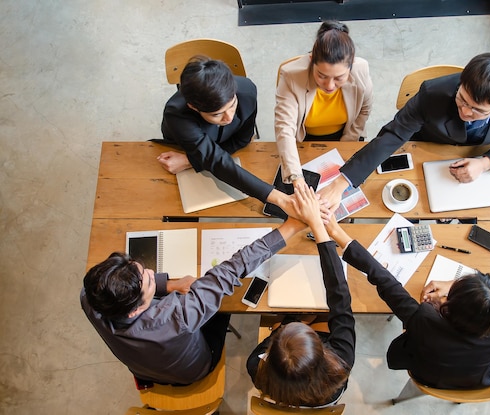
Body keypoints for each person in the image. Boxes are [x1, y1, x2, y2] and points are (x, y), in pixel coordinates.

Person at [80, 217, 306, 386]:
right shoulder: (178, 316)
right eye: (149, 280)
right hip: (193, 371)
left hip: (144, 370)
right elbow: (230, 271)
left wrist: (166, 285)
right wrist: (291, 227)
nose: (151, 271)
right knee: (224, 305)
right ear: (133, 311)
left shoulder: (89, 298)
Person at [318, 52, 490, 210]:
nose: (464, 111)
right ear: (461, 83)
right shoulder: (432, 93)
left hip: (478, 157)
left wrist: (485, 162)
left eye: (477, 111)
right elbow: (393, 135)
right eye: (462, 99)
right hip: (428, 147)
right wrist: (342, 182)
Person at [323, 222, 490, 389]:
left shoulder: (425, 321)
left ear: (451, 307)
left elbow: (385, 281)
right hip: (476, 380)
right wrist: (451, 285)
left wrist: (334, 232)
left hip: (427, 377)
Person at [247, 185, 355, 407]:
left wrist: (295, 321)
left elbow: (274, 342)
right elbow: (340, 300)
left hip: (289, 384)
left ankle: (295, 322)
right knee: (323, 314)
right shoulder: (341, 361)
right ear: (321, 349)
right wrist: (319, 230)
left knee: (294, 312)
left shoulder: (254, 366)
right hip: (327, 396)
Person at [157, 55, 296, 216]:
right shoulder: (176, 115)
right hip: (181, 144)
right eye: (217, 114)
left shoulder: (247, 89)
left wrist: (192, 159)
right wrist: (281, 199)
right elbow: (216, 161)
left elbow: (242, 140)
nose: (229, 117)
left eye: (232, 106)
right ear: (194, 107)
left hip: (205, 152)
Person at [275, 20, 373, 186]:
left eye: (339, 78)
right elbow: (285, 127)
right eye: (322, 75)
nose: (330, 85)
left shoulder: (361, 69)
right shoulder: (291, 75)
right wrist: (295, 177)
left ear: (351, 65)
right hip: (304, 137)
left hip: (346, 133)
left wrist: (346, 145)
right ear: (311, 59)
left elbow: (364, 110)